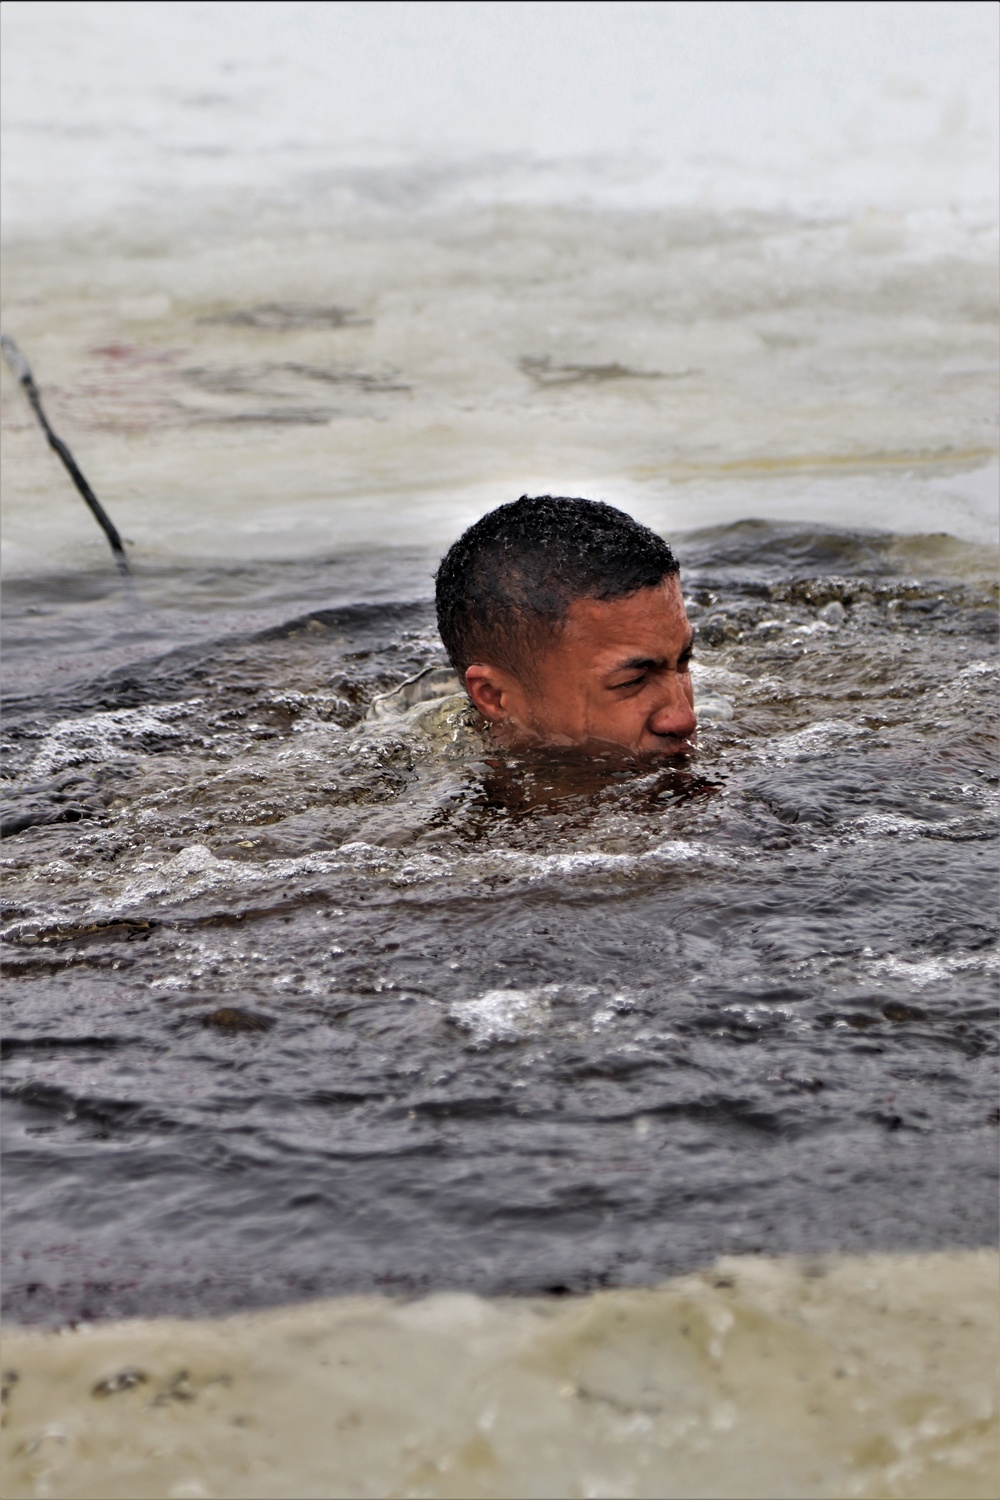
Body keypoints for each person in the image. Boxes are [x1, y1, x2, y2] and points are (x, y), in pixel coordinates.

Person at [435, 495, 697, 757]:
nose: (685, 719)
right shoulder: (420, 790)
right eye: (632, 682)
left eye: (683, 662)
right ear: (493, 696)